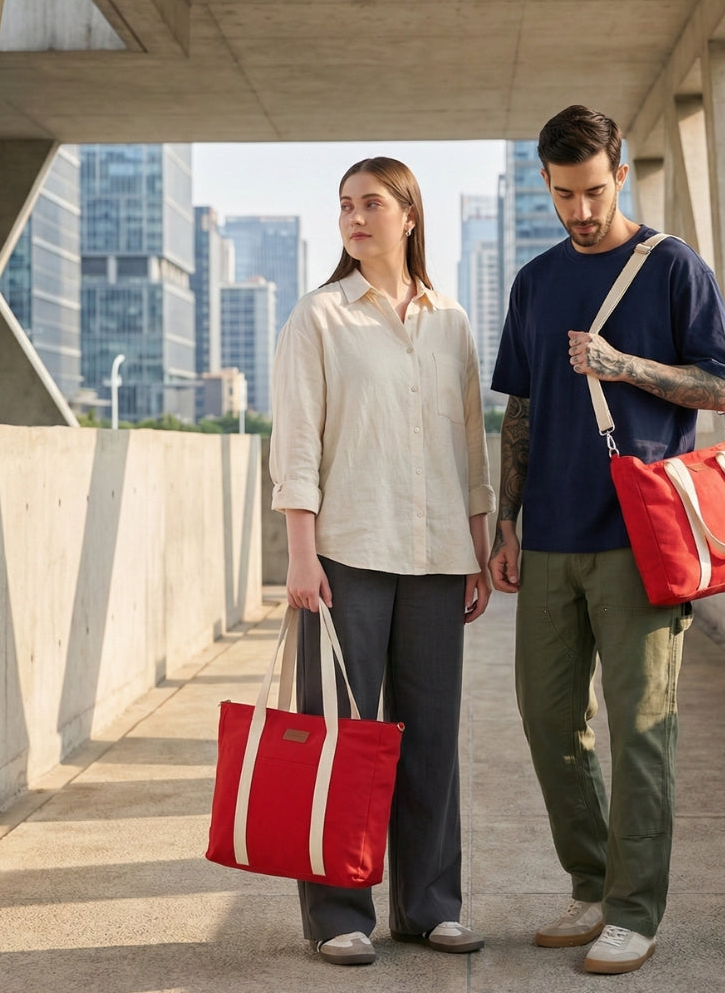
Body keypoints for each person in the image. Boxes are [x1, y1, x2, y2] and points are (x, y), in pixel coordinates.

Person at [489, 105, 725, 975]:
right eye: (563, 194)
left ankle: (635, 911)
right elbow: (520, 410)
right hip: (552, 536)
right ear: (547, 186)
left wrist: (623, 365)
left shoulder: (674, 268)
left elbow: (724, 391)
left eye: (593, 190)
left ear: (621, 173)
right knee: (549, 719)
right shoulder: (533, 281)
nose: (580, 210)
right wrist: (506, 521)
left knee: (642, 730)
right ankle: (592, 885)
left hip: (644, 537)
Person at [270, 156, 495, 966]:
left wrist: (476, 549)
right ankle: (338, 914)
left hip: (437, 557)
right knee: (342, 735)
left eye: (371, 203)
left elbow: (469, 449)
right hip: (346, 555)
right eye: (344, 206)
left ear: (409, 214)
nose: (355, 218)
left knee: (431, 736)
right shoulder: (319, 318)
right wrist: (301, 555)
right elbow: (295, 445)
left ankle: (430, 907)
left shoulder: (452, 322)